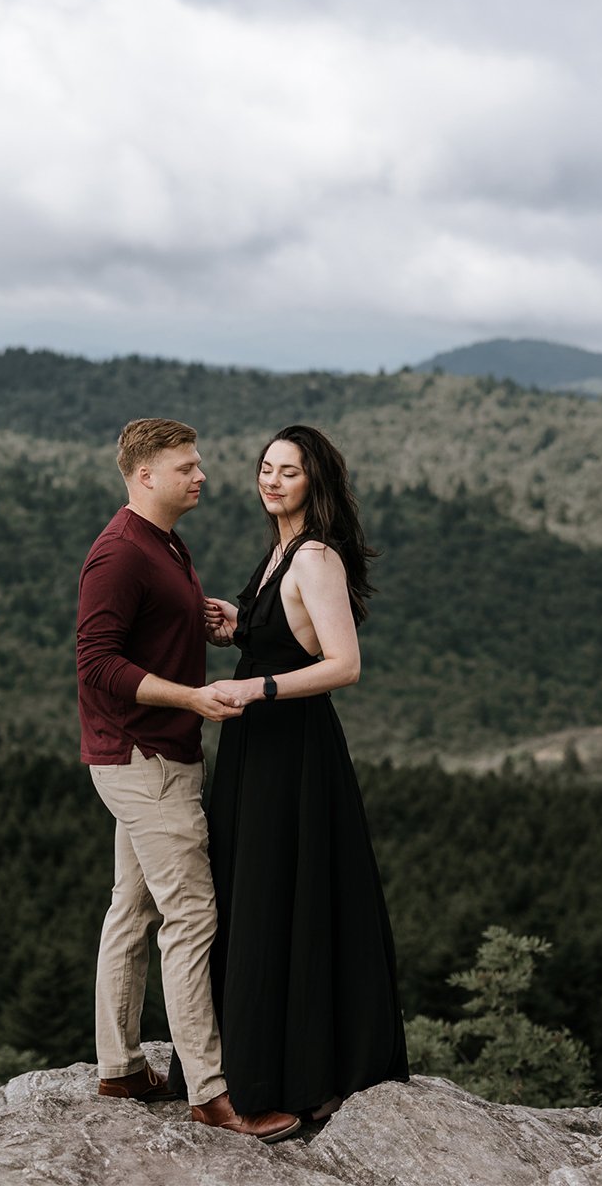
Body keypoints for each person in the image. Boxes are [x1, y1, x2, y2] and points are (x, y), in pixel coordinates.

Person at [76, 417, 302, 1144]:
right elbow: (98, 665)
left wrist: (203, 626)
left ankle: (119, 1066)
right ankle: (210, 1092)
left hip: (144, 754)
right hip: (145, 760)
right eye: (185, 467)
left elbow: (148, 634)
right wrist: (191, 698)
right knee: (193, 917)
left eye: (199, 464)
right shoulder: (118, 554)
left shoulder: (165, 543)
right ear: (145, 476)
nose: (201, 476)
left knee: (132, 909)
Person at [201, 424, 409, 1122]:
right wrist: (242, 624)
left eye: (288, 471)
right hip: (257, 751)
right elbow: (292, 638)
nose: (272, 480)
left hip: (292, 753)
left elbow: (343, 666)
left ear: (313, 482)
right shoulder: (280, 552)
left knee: (278, 899)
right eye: (265, 467)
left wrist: (257, 688)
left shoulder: (315, 556)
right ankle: (261, 1066)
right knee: (258, 897)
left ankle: (290, 1076)